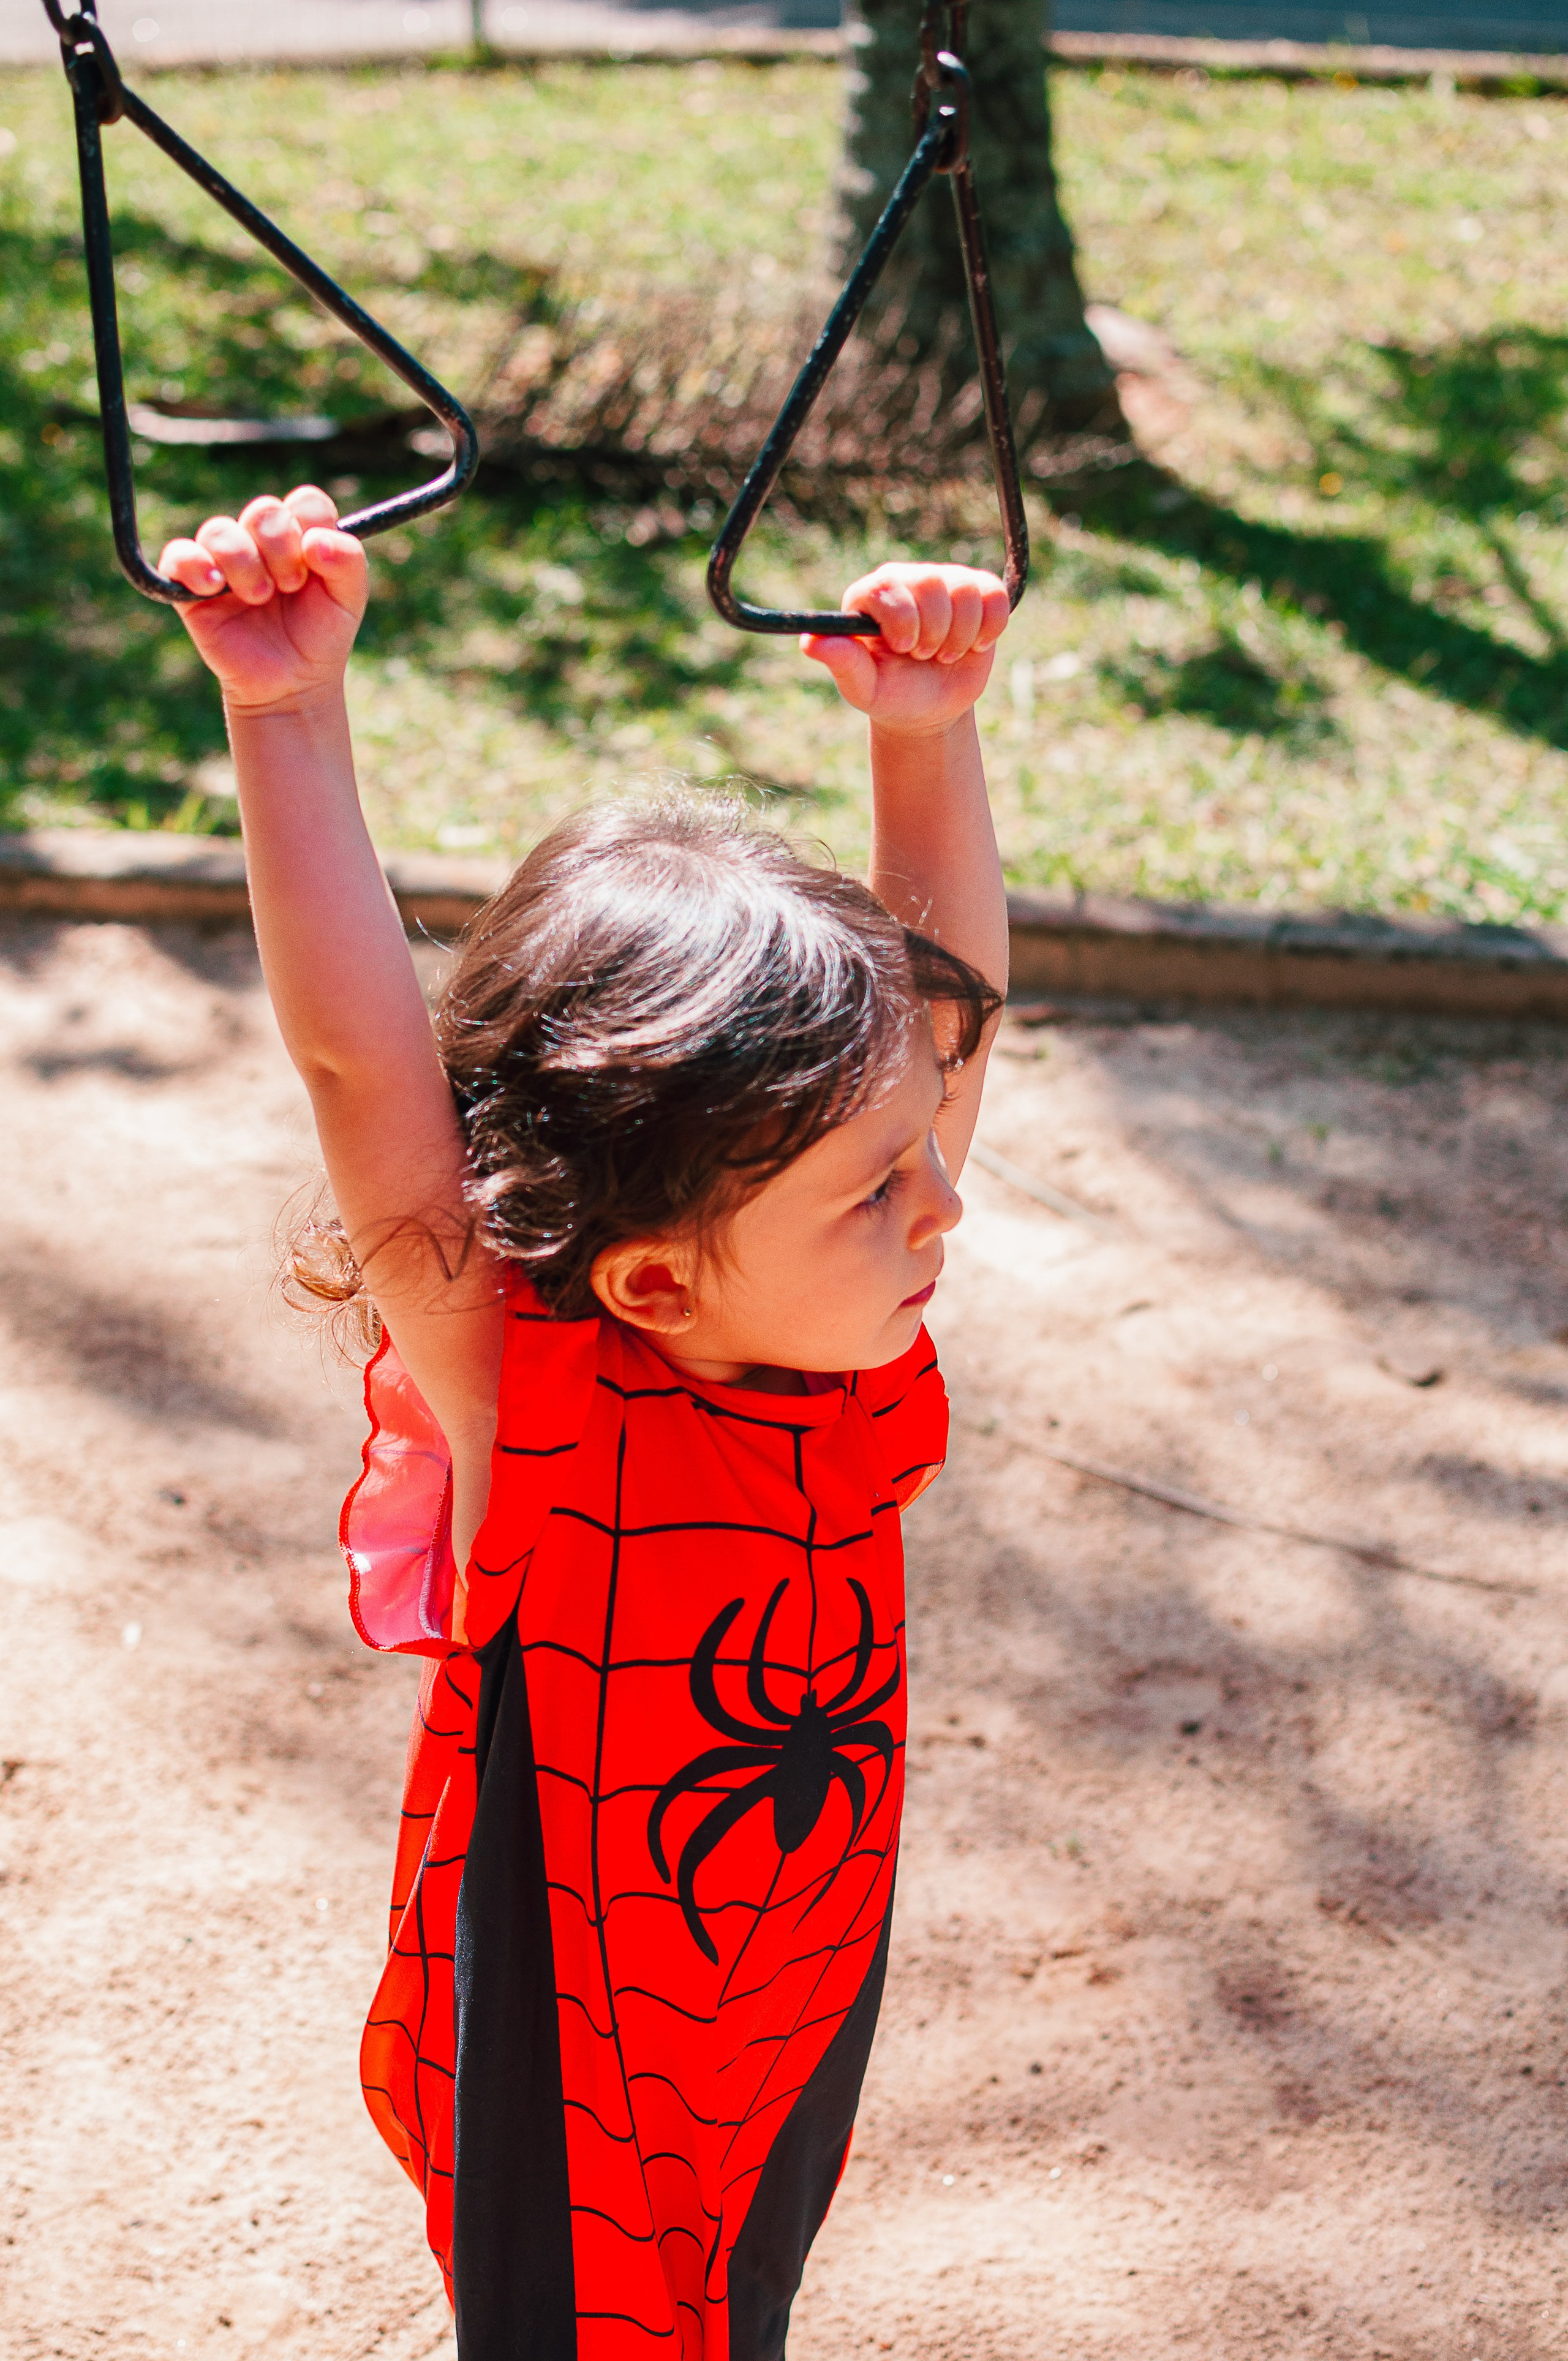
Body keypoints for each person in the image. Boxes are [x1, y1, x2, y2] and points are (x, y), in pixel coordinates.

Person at [159, 484, 1014, 2361]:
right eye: (884, 1186)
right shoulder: (543, 1394)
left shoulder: (842, 1361)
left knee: (743, 2306)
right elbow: (360, 1066)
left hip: (793, 1966)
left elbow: (948, 1020)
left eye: (921, 1157)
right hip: (571, 2043)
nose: (944, 1198)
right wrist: (286, 715)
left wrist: (923, 739)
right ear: (648, 1280)